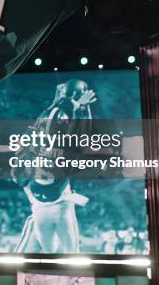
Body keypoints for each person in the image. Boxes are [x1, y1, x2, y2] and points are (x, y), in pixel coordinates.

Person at [14, 79, 95, 253]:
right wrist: (81, 109)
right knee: (65, 250)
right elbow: (82, 137)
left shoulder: (40, 132)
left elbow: (18, 173)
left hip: (44, 199)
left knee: (53, 249)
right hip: (53, 201)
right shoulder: (63, 147)